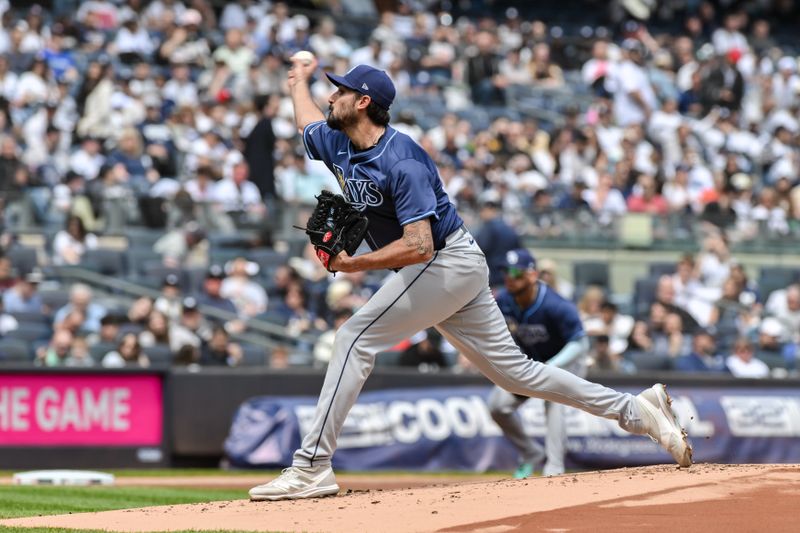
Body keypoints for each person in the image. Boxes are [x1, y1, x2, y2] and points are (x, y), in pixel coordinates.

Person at [248, 60, 691, 502]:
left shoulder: (402, 159)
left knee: (352, 338)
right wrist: (297, 81)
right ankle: (637, 410)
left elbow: (420, 244)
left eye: (340, 92)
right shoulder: (337, 139)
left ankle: (311, 466)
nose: (331, 97)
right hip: (441, 270)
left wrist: (350, 266)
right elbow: (305, 122)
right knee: (518, 375)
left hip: (445, 261)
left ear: (363, 103)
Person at [488, 249, 589, 478]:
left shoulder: (555, 304)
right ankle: (531, 452)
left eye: (516, 272)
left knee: (552, 397)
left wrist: (551, 365)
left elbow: (580, 343)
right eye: (506, 271)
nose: (510, 277)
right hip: (533, 363)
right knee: (497, 406)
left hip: (568, 361)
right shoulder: (504, 300)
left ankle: (554, 468)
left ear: (532, 275)